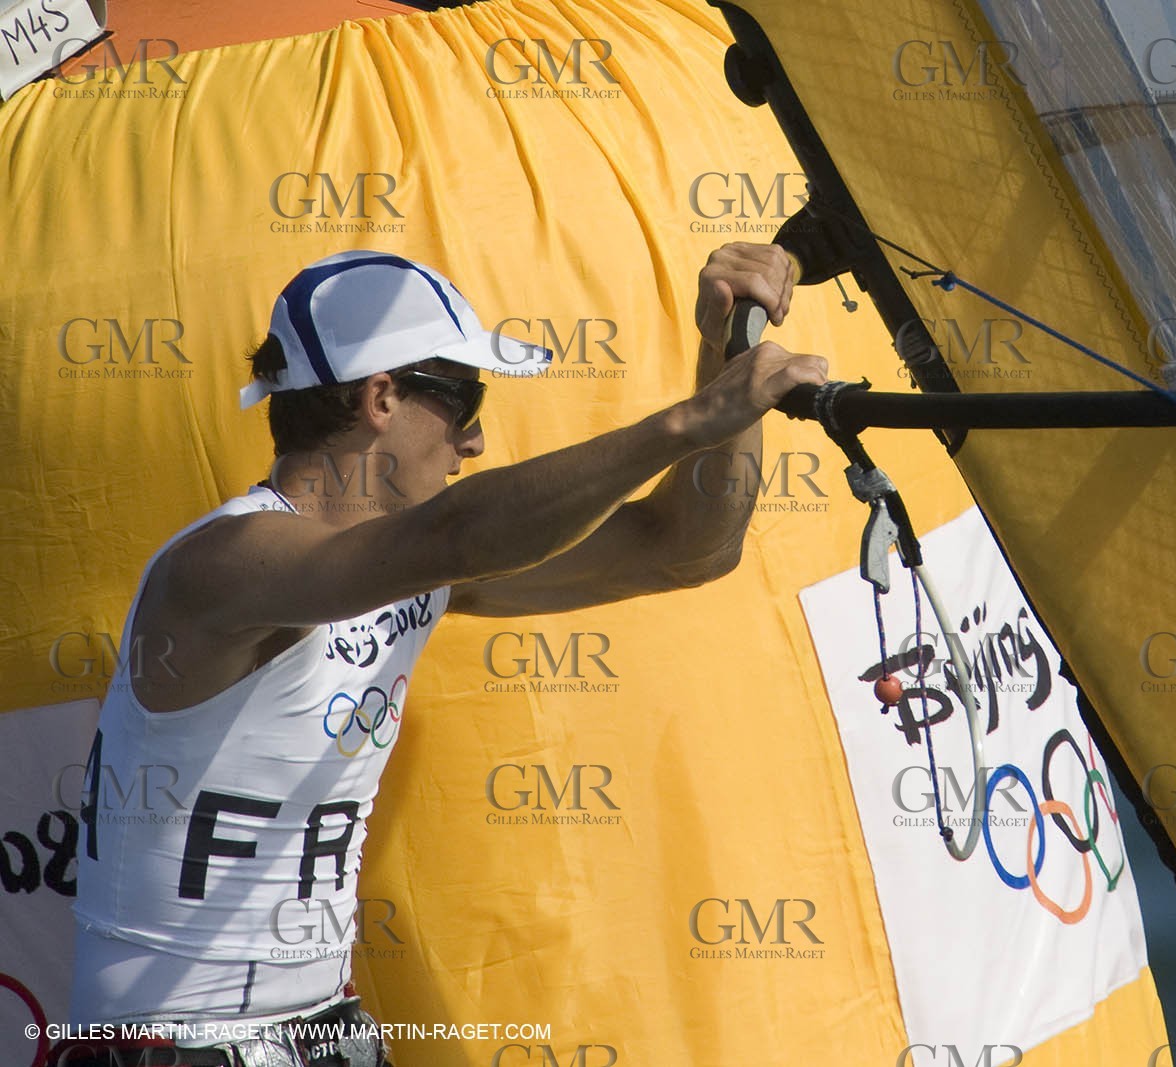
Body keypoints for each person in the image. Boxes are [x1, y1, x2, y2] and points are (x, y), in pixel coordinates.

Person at [56, 245, 825, 1066]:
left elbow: (687, 548)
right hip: (170, 1044)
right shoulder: (217, 565)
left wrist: (729, 357)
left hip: (321, 1028)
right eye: (465, 400)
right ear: (379, 397)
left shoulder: (413, 570)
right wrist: (687, 421)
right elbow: (458, 532)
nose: (477, 439)